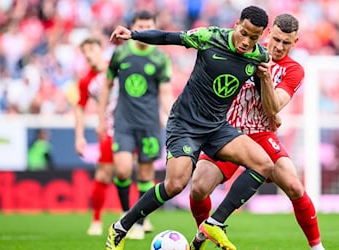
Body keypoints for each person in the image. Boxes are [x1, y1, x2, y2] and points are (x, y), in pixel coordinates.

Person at [106, 6, 273, 250]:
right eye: (244, 33)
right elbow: (167, 37)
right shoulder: (210, 37)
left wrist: (270, 102)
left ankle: (215, 223)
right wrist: (133, 35)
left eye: (254, 37)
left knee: (264, 164)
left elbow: (260, 94)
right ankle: (120, 228)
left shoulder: (260, 56)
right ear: (237, 23)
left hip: (217, 127)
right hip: (185, 123)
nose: (246, 42)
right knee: (175, 184)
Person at [189, 14, 325, 250]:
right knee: (199, 187)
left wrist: (266, 84)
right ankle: (203, 235)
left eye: (287, 43)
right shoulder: (246, 48)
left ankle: (316, 247)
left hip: (260, 134)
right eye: (277, 39)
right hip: (228, 130)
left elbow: (274, 105)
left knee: (294, 186)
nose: (279, 47)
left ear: (296, 42)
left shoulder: (294, 70)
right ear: (269, 32)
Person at [98, 10, 174, 240]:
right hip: (123, 121)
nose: (145, 30)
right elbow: (107, 85)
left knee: (145, 173)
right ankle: (125, 214)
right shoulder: (120, 53)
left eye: (149, 26)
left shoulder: (160, 58)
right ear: (133, 28)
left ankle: (139, 223)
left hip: (149, 123)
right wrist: (101, 117)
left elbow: (165, 92)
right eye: (141, 26)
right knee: (121, 169)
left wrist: (170, 117)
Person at [74, 37, 116, 236]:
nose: (88, 54)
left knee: (142, 170)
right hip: (109, 128)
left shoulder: (116, 66)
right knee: (104, 173)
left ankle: (142, 221)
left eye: (91, 49)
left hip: (133, 125)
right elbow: (80, 108)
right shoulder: (86, 80)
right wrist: (79, 136)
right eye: (85, 51)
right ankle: (97, 219)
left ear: (101, 49)